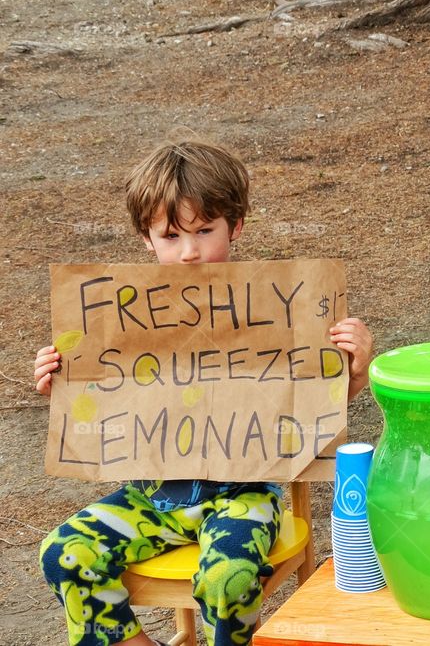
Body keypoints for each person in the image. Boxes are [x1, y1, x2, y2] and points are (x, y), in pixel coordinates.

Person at [34, 138, 372, 646]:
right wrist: (60, 382)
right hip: (152, 499)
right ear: (147, 239)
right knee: (64, 551)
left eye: (204, 231)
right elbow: (97, 407)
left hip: (245, 499)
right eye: (170, 236)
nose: (189, 252)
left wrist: (356, 370)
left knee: (227, 577)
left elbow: (311, 415)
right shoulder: (123, 319)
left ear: (235, 226)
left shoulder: (279, 310)